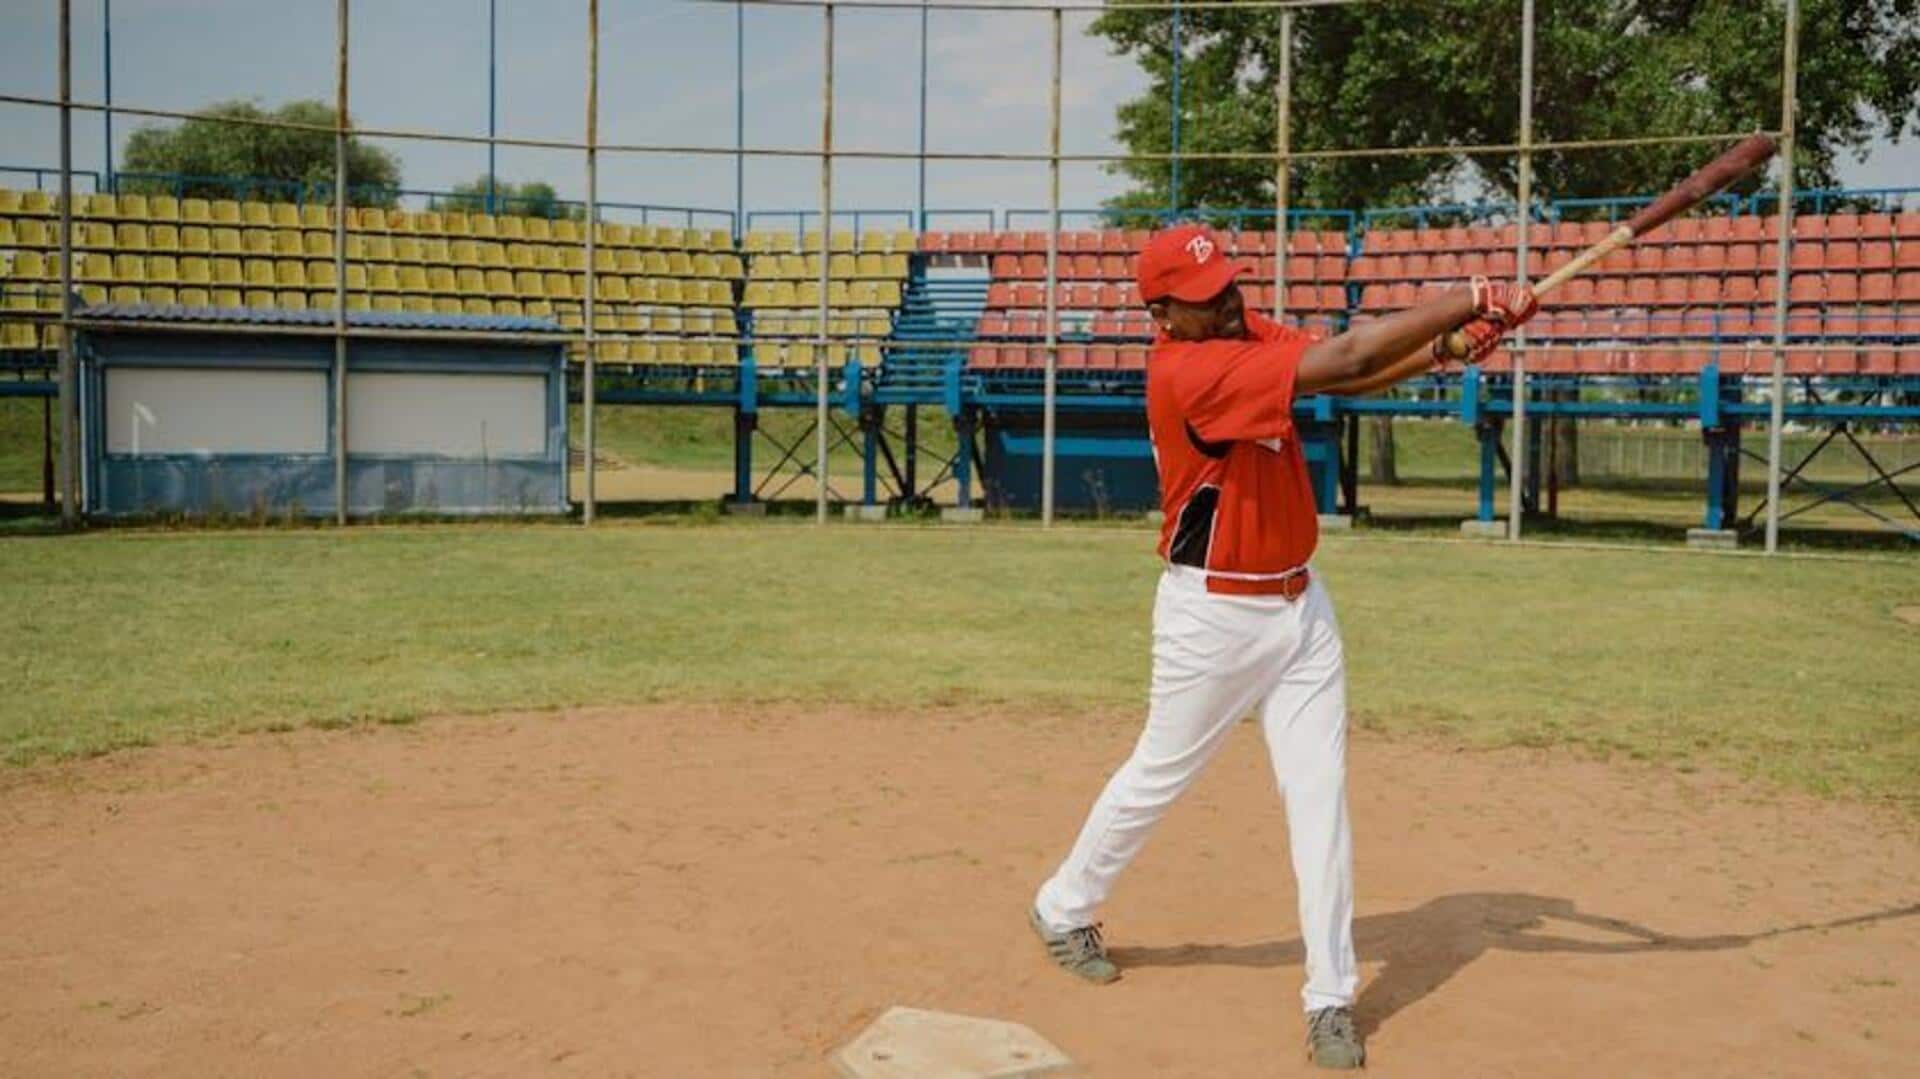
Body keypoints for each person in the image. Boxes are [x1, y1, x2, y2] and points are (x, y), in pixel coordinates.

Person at [1028, 224, 1537, 1070]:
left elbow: (1356, 367)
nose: (1227, 302)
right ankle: (1062, 902)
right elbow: (1339, 362)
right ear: (1162, 316)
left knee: (1320, 800)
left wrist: (1445, 349)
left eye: (1227, 285)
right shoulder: (1189, 370)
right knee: (1158, 773)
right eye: (1203, 300)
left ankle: (1329, 997)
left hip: (1302, 610)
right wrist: (1471, 297)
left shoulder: (1240, 333)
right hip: (1211, 622)